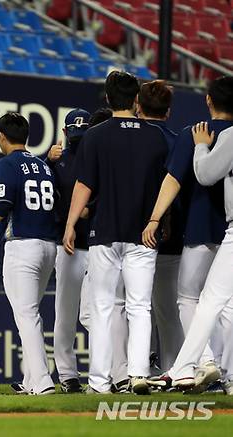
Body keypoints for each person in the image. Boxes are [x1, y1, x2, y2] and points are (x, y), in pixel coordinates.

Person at [63, 71, 168, 395]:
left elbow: (84, 184)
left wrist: (69, 225)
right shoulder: (156, 136)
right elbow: (168, 184)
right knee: (139, 307)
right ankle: (137, 373)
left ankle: (99, 382)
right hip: (143, 234)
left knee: (103, 307)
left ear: (108, 99)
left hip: (104, 232)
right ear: (136, 99)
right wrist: (158, 220)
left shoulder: (95, 135)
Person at [142, 76, 233, 386]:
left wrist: (154, 218)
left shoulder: (194, 134)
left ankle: (204, 361)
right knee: (226, 305)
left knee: (189, 298)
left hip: (202, 228)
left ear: (209, 101)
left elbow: (173, 180)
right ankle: (223, 371)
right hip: (228, 228)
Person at [0, 112, 57, 395]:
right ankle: (31, 380)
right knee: (32, 314)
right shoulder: (43, 167)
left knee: (26, 315)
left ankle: (43, 382)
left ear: (1, 137)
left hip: (23, 246)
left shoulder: (7, 163)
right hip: (48, 246)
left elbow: (2, 205)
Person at [136, 80, 185, 373]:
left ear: (138, 107)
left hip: (129, 238)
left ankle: (129, 373)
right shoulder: (179, 140)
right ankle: (175, 372)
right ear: (167, 112)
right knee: (170, 314)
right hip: (172, 238)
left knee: (131, 309)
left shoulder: (127, 137)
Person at [46, 108, 91, 394]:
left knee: (93, 313)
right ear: (64, 132)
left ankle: (106, 372)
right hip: (66, 245)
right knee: (65, 312)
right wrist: (45, 161)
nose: (76, 138)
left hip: (97, 244)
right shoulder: (57, 160)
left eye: (81, 134)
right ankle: (68, 374)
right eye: (73, 134)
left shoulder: (98, 156)